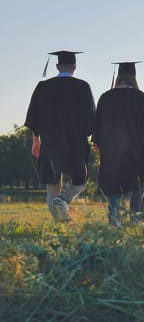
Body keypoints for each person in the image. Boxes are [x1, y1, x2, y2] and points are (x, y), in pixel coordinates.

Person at [24, 50, 96, 222]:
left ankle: (59, 223)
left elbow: (34, 115)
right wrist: (89, 136)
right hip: (75, 142)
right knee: (81, 180)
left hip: (50, 142)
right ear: (75, 67)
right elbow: (91, 117)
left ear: (57, 66)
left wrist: (36, 140)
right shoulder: (83, 87)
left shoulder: (43, 87)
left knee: (52, 185)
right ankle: (64, 200)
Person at [92, 61, 144, 227]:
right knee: (137, 187)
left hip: (111, 154)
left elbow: (97, 127)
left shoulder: (105, 98)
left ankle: (115, 223)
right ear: (133, 78)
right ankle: (136, 219)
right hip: (134, 153)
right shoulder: (140, 97)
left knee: (113, 191)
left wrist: (99, 145)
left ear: (118, 78)